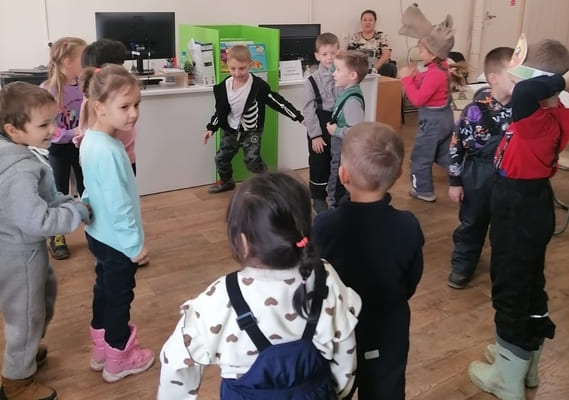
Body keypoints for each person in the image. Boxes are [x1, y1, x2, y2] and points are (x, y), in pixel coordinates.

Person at [157, 172, 362, 400]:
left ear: (243, 242)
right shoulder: (326, 278)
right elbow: (346, 353)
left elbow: (175, 362)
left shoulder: (220, 297)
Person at [468, 37, 569, 400]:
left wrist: (551, 79)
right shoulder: (556, 113)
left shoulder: (534, 117)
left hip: (518, 206)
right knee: (530, 283)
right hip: (533, 202)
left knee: (509, 286)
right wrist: (550, 83)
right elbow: (532, 93)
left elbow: (525, 92)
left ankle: (507, 377)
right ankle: (524, 360)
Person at [313, 122, 424, 400]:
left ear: (343, 175)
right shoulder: (408, 225)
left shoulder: (325, 226)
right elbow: (411, 279)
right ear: (399, 175)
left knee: (332, 389)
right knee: (386, 389)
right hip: (389, 328)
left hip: (337, 328)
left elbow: (316, 278)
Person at [0, 82, 90, 400]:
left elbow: (45, 198)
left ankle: (25, 350)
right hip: (18, 255)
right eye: (43, 125)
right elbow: (37, 221)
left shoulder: (20, 155)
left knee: (41, 298)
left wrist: (68, 202)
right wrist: (76, 213)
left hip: (22, 252)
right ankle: (16, 381)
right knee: (26, 315)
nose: (53, 130)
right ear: (13, 130)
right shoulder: (19, 171)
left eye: (53, 121)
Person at [79, 64, 154, 382]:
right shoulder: (109, 150)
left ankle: (101, 349)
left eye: (137, 104)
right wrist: (134, 246)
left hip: (99, 234)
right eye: (125, 106)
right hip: (116, 241)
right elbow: (120, 206)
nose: (133, 113)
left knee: (104, 289)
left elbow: (89, 187)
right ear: (99, 107)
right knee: (119, 297)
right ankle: (118, 359)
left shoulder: (90, 139)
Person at [447, 47, 514, 289]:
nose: (519, 81)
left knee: (506, 226)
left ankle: (503, 270)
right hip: (477, 174)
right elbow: (456, 146)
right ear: (493, 78)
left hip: (510, 176)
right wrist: (455, 182)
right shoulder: (474, 111)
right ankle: (463, 263)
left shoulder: (523, 109)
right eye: (513, 76)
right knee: (471, 223)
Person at [203, 45, 304, 194]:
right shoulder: (224, 87)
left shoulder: (258, 86)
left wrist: (298, 116)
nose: (237, 73)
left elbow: (277, 102)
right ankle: (226, 181)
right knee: (220, 158)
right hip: (231, 129)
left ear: (250, 65)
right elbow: (220, 111)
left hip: (252, 130)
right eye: (233, 69)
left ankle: (268, 182)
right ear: (227, 66)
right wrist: (211, 128)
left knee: (252, 160)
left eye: (242, 68)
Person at [398, 4, 455, 202]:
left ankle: (423, 191)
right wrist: (415, 78)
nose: (419, 53)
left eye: (421, 50)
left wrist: (406, 79)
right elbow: (427, 89)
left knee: (420, 157)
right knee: (444, 155)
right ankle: (465, 179)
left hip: (432, 123)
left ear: (432, 54)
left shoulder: (434, 74)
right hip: (444, 120)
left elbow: (417, 99)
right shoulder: (441, 67)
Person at [41, 36, 86, 260]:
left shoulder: (84, 86)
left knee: (87, 189)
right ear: (68, 61)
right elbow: (49, 130)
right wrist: (73, 132)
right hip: (58, 150)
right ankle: (57, 236)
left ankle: (95, 231)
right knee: (58, 192)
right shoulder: (48, 90)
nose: (86, 62)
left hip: (81, 147)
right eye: (83, 57)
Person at [76, 38, 138, 174]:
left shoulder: (110, 99)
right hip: (112, 161)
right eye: (121, 65)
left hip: (125, 157)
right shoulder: (95, 102)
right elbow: (89, 131)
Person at [303, 32, 340, 215]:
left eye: (333, 53)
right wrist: (315, 135)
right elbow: (308, 110)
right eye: (325, 54)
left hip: (339, 124)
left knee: (338, 160)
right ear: (317, 56)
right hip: (320, 125)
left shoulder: (343, 76)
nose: (329, 58)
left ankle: (337, 194)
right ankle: (318, 196)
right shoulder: (311, 81)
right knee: (319, 162)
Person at [326, 49, 368, 207]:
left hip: (344, 148)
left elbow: (356, 130)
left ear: (352, 75)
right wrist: (338, 56)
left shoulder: (352, 101)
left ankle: (335, 207)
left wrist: (335, 131)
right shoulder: (347, 88)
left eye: (338, 70)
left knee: (338, 180)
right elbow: (336, 68)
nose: (333, 73)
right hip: (340, 147)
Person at [347, 9, 397, 77]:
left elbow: (386, 55)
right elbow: (349, 56)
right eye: (365, 20)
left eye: (370, 20)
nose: (367, 22)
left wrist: (374, 68)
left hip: (378, 68)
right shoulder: (354, 37)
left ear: (375, 22)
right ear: (361, 22)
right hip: (360, 69)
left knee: (390, 67)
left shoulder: (381, 36)